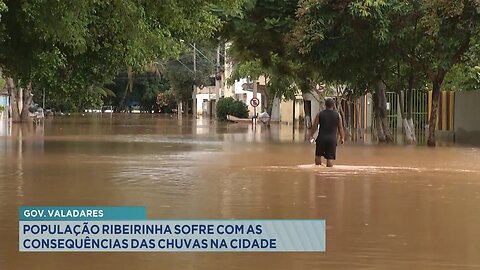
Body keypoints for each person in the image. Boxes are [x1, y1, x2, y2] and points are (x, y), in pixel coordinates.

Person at [309, 98, 345, 167]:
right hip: (332, 139)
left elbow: (315, 126)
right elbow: (340, 128)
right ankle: (329, 173)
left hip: (321, 138)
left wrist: (311, 135)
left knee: (318, 156)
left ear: (325, 105)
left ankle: (318, 172)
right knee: (330, 159)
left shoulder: (319, 114)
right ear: (333, 105)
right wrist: (342, 138)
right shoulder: (338, 115)